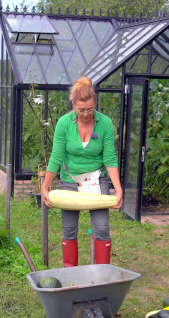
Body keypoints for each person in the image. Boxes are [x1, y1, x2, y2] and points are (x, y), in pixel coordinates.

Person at [41, 76, 123, 267]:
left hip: (97, 181)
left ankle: (103, 273)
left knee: (102, 228)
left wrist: (117, 189)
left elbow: (110, 158)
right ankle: (71, 273)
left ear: (96, 105)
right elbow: (56, 157)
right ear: (73, 105)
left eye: (90, 109)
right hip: (70, 181)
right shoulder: (63, 124)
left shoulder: (105, 123)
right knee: (69, 229)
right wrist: (46, 187)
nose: (86, 114)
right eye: (81, 110)